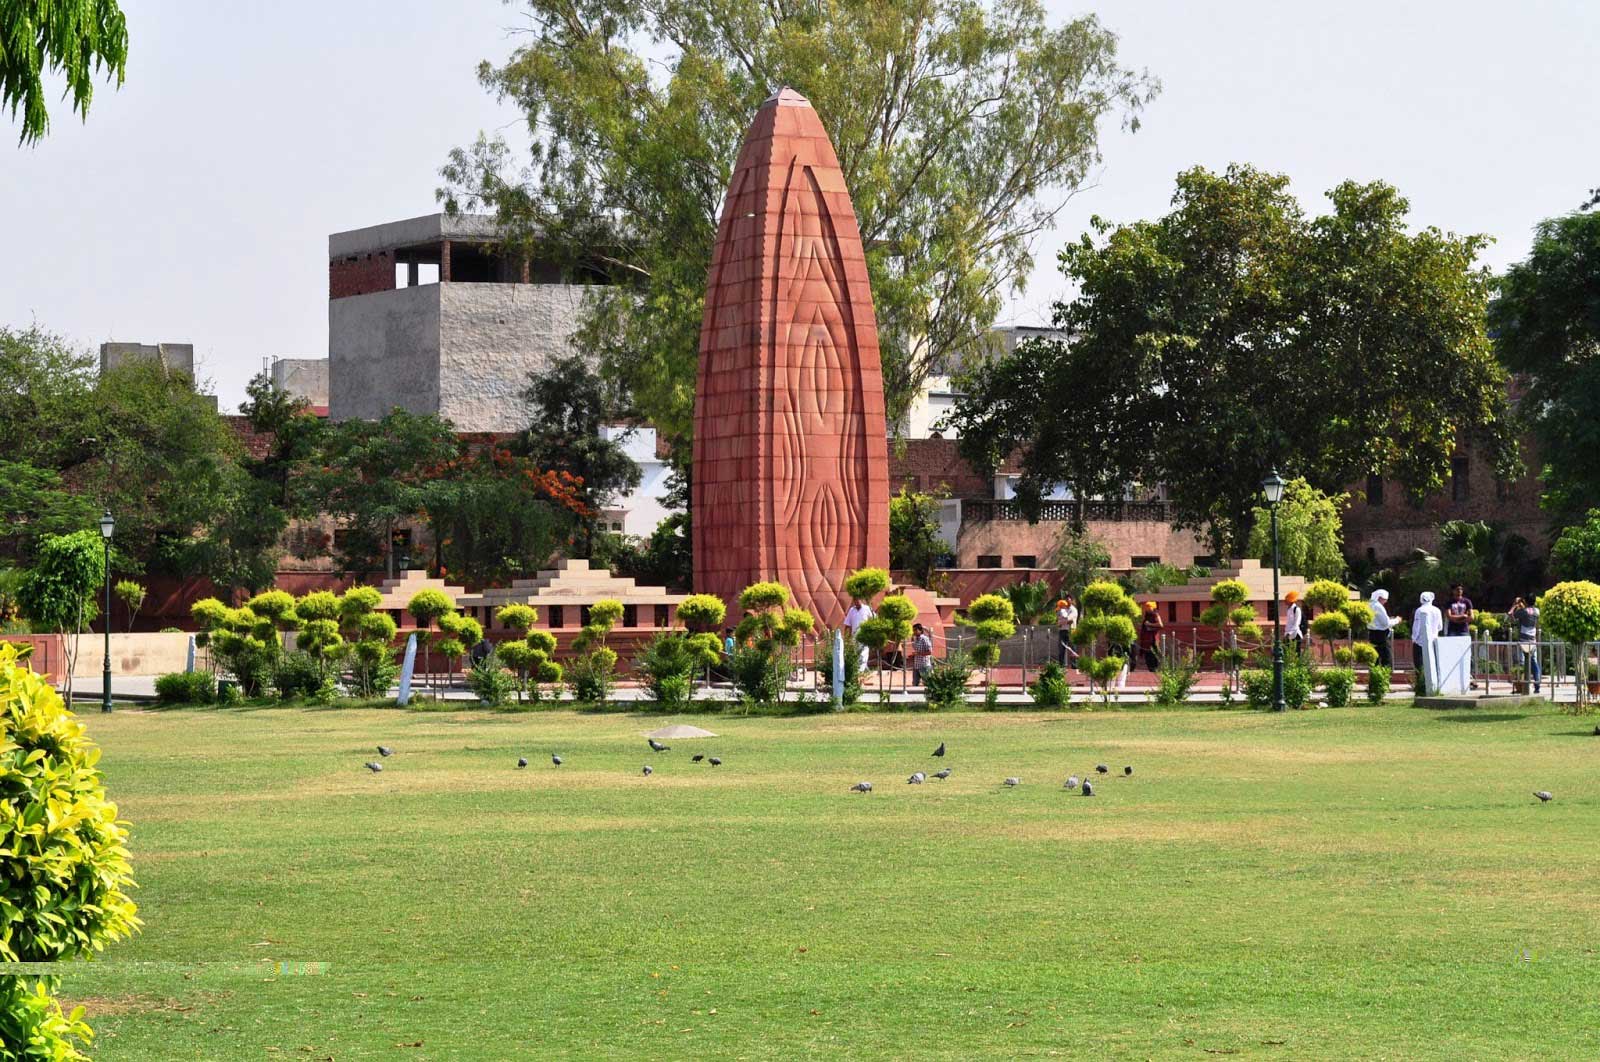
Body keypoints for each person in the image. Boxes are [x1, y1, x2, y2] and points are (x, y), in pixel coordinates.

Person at [1411, 591, 1443, 695]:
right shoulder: (1437, 610)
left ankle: (1421, 685)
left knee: (1420, 664)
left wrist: (1414, 638)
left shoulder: (1419, 610)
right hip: (1434, 641)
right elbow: (1440, 626)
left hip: (1420, 642)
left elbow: (1417, 626)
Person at [1507, 596, 1541, 693]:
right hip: (1533, 640)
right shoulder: (1537, 611)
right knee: (1534, 662)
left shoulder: (1523, 612)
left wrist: (1515, 605)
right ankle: (1537, 686)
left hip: (1523, 640)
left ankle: (1522, 685)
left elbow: (1511, 615)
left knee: (1521, 662)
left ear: (1525, 601)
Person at [843, 595, 874, 669]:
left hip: (864, 636)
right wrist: (846, 637)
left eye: (858, 600)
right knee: (855, 654)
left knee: (864, 653)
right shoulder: (852, 610)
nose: (856, 601)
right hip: (854, 637)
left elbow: (873, 620)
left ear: (861, 599)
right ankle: (861, 669)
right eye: (855, 600)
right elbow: (847, 624)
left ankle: (861, 670)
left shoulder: (867, 609)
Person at [1366, 589, 1395, 667]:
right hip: (1381, 635)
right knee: (1386, 657)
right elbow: (1386, 623)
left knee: (1375, 657)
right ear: (1380, 598)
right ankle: (1385, 674)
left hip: (1372, 633)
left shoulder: (1369, 605)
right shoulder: (1378, 606)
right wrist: (1396, 620)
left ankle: (1375, 674)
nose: (1385, 602)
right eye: (1384, 600)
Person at [1138, 600, 1163, 671]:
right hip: (1146, 640)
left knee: (1154, 655)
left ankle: (1155, 670)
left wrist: (1149, 624)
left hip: (1153, 639)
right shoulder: (1147, 615)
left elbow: (1161, 625)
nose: (1147, 609)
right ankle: (1151, 670)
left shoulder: (1156, 615)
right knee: (1148, 656)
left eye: (1149, 607)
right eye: (1147, 607)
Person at [1056, 596, 1079, 668]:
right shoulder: (1063, 609)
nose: (1067, 602)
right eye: (1066, 600)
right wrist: (1062, 622)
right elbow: (1059, 620)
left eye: (1069, 600)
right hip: (1062, 630)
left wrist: (1061, 622)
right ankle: (1061, 665)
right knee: (1061, 648)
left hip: (1071, 630)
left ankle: (1074, 665)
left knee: (1072, 648)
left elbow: (1069, 620)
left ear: (1071, 601)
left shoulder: (1074, 610)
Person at [1284, 590, 1305, 658]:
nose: (1285, 601)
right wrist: (1286, 633)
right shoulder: (1288, 610)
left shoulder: (1296, 609)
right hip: (1288, 634)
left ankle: (1297, 667)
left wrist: (1289, 633)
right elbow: (1289, 623)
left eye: (1286, 599)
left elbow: (1296, 623)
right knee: (1286, 652)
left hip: (1295, 634)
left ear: (1290, 600)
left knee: (1296, 653)